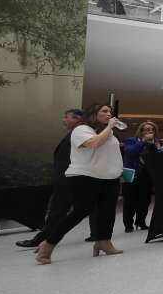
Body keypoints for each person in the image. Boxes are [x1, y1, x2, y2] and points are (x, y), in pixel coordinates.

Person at [34, 103, 125, 264]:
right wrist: (110, 126)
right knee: (81, 211)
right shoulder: (81, 130)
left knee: (107, 211)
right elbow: (93, 144)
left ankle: (103, 241)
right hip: (85, 176)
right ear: (93, 114)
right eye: (104, 111)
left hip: (109, 178)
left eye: (110, 112)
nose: (108, 114)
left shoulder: (109, 134)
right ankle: (48, 244)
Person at [16, 109, 86, 248]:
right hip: (67, 178)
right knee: (65, 210)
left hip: (69, 179)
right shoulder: (74, 134)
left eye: (66, 117)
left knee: (58, 210)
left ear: (77, 119)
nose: (63, 120)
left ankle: (42, 239)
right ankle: (47, 238)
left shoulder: (80, 134)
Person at [120, 121, 159, 232]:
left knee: (145, 200)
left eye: (152, 129)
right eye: (147, 129)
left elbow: (155, 159)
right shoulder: (131, 140)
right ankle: (128, 225)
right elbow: (130, 153)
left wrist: (153, 146)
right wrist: (143, 141)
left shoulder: (154, 143)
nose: (150, 131)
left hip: (146, 174)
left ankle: (141, 222)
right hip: (129, 172)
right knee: (129, 201)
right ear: (141, 131)